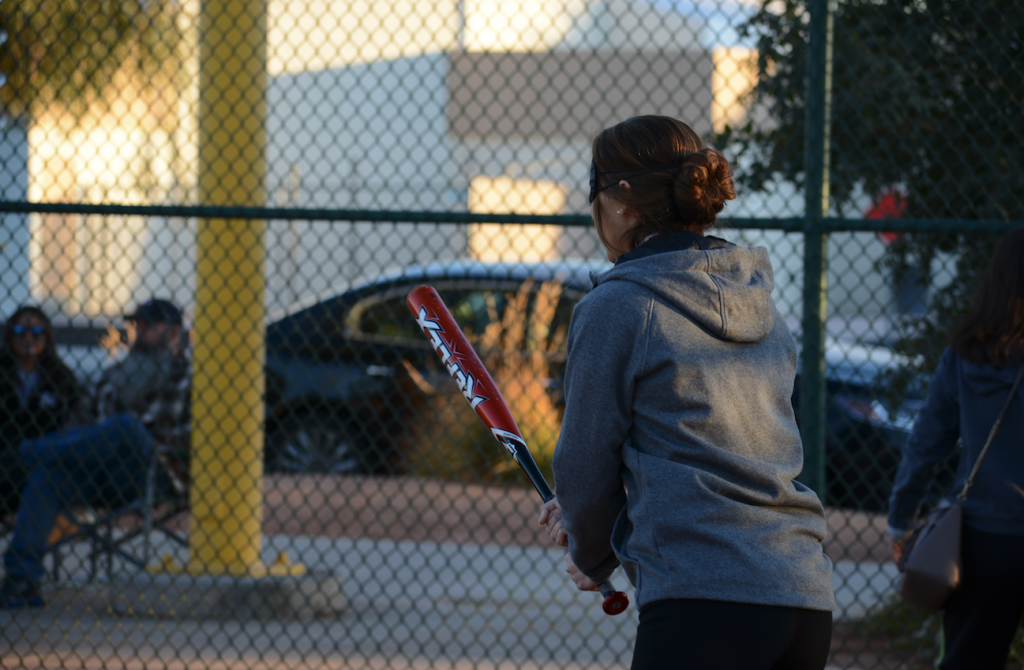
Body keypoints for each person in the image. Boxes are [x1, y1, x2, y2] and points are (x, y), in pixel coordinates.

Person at [537, 115, 835, 669]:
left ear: (622, 200)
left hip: (704, 603)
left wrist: (591, 552)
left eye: (595, 191)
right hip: (802, 597)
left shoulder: (619, 306)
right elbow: (712, 454)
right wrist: (596, 539)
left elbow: (583, 465)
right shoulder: (760, 302)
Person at [887, 227, 1024, 670]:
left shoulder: (966, 354)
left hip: (984, 539)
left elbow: (927, 442)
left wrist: (901, 521)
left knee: (970, 659)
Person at [0, 298, 191, 609]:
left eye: (148, 327)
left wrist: (146, 438)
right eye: (136, 326)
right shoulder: (112, 376)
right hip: (99, 472)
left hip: (149, 472)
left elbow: (194, 439)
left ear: (172, 334)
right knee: (50, 474)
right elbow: (77, 424)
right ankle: (22, 578)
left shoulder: (190, 377)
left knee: (126, 427)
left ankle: (24, 453)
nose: (138, 333)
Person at [0, 306, 83, 520]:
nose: (28, 337)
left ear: (46, 337)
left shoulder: (61, 378)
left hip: (42, 464)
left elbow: (74, 422)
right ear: (10, 335)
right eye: (20, 331)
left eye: (36, 331)